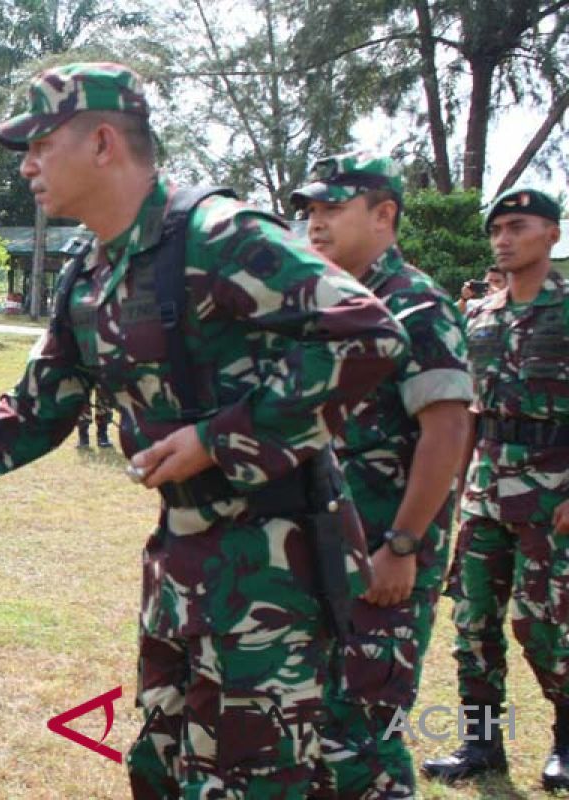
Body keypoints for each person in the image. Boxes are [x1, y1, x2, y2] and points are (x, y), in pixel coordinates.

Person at [0, 63, 409, 798]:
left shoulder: (219, 235)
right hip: (181, 575)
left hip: (277, 578)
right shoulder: (89, 273)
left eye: (40, 145)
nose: (27, 167)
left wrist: (217, 439)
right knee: (163, 773)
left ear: (103, 141)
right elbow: (31, 413)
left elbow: (367, 334)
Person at [290, 152, 472, 798]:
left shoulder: (418, 307)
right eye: (310, 211)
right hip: (327, 548)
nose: (316, 224)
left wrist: (403, 546)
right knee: (313, 722)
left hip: (385, 559)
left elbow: (448, 432)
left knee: (362, 735)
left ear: (384, 215)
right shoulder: (330, 304)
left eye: (332, 208)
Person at [422, 187, 569, 792]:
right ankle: (481, 744)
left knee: (546, 627)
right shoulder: (479, 316)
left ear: (552, 235)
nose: (504, 238)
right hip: (485, 492)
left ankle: (565, 742)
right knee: (474, 624)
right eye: (497, 230)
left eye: (519, 226)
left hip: (553, 495)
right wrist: (456, 495)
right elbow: (468, 415)